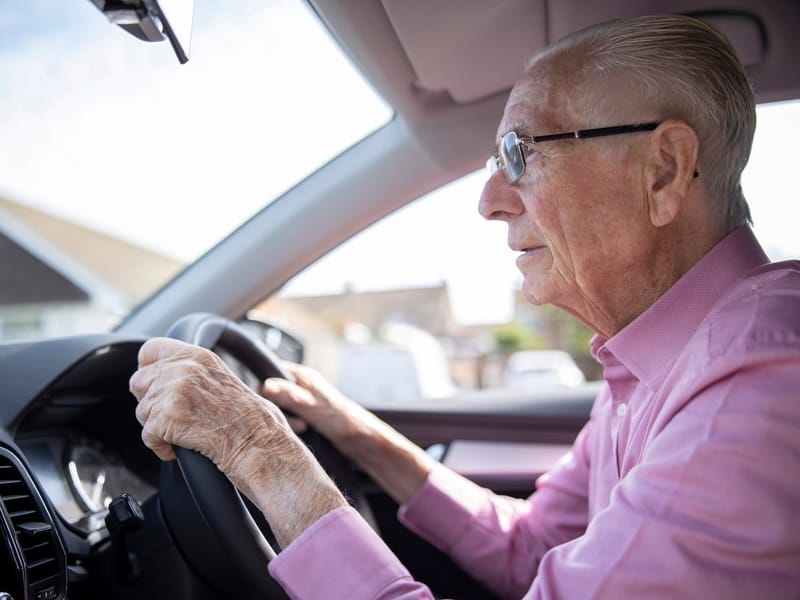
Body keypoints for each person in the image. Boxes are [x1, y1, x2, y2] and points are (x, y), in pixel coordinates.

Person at [129, 14, 800, 599]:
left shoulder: (755, 388)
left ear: (662, 170)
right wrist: (354, 430)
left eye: (520, 153)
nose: (489, 201)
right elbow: (529, 546)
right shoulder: (660, 361)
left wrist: (262, 453)